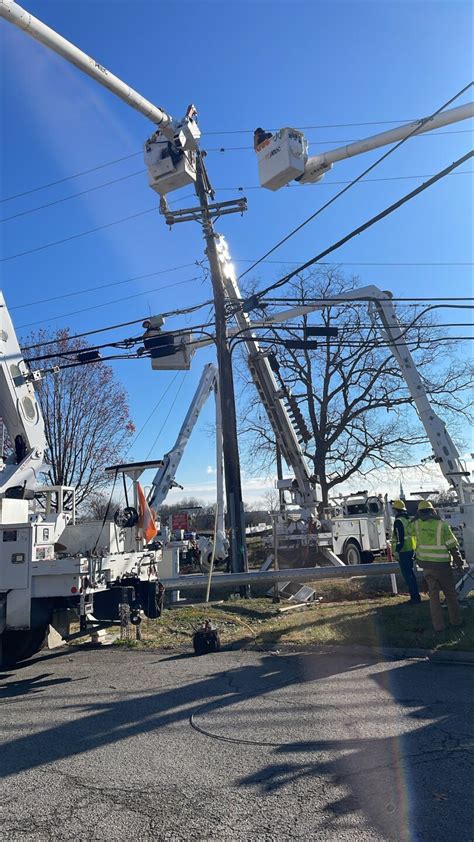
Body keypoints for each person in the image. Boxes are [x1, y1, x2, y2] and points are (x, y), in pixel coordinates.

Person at [408, 500, 464, 632]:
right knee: (450, 595)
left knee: (433, 597)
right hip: (443, 566)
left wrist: (415, 518)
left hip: (427, 566)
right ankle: (456, 622)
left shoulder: (416, 524)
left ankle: (438, 627)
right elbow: (452, 546)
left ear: (419, 512)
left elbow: (407, 529)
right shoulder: (442, 525)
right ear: (433, 510)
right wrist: (459, 562)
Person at [391, 499, 420, 604]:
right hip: (410, 549)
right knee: (411, 575)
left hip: (403, 551)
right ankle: (415, 596)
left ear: (396, 510)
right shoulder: (407, 520)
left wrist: (397, 551)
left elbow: (400, 538)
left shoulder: (398, 521)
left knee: (408, 576)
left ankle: (415, 598)